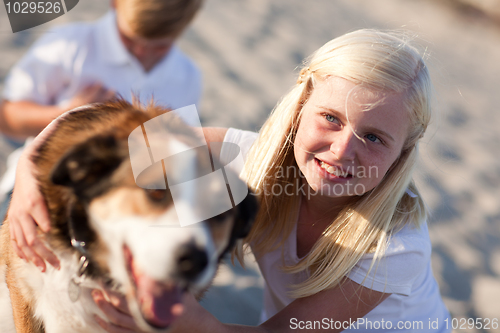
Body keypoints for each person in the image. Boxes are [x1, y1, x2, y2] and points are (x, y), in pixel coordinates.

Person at [7, 29, 451, 332]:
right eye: (331, 118)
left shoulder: (395, 246)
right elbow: (117, 132)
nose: (341, 151)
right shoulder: (251, 158)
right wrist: (30, 167)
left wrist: (195, 323)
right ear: (300, 108)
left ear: (403, 153)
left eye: (373, 137)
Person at [0, 0, 204, 221]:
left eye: (159, 46)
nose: (141, 51)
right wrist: (66, 113)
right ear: (114, 3)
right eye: (129, 39)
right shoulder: (70, 44)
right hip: (42, 185)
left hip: (124, 210)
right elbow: (6, 116)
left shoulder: (188, 77)